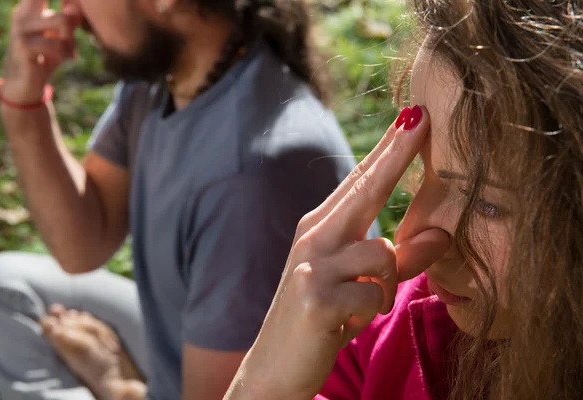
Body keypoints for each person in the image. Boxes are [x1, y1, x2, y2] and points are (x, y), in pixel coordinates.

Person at [0, 0, 380, 399]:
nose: (70, 9)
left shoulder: (249, 177)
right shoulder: (168, 76)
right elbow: (81, 245)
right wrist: (25, 102)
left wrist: (114, 384)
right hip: (186, 353)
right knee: (1, 287)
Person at [223, 0, 583, 399]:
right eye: (419, 171)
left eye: (487, 203)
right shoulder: (391, 338)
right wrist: (265, 382)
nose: (409, 232)